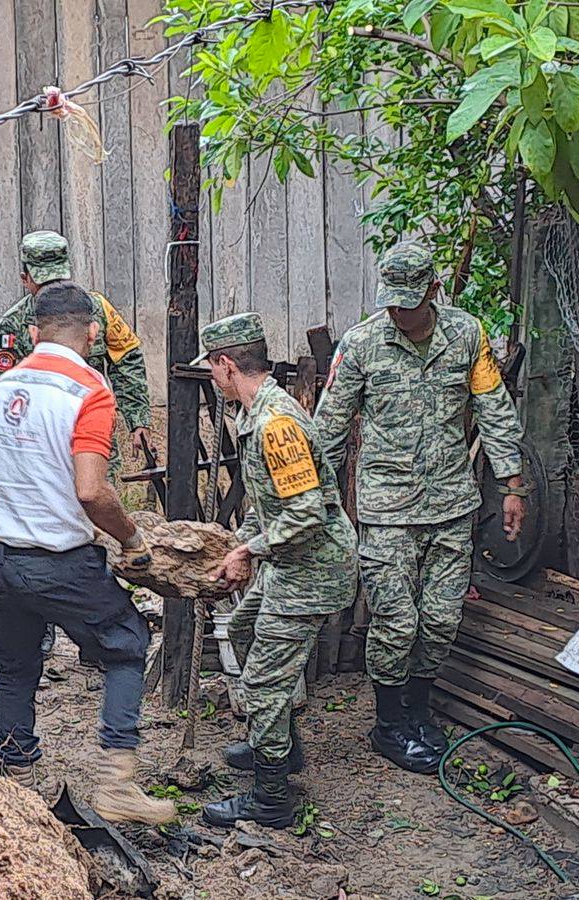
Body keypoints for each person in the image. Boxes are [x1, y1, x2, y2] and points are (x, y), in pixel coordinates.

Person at [314, 240, 526, 775]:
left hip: (453, 505)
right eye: (391, 301)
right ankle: (388, 725)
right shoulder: (361, 345)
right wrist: (318, 503)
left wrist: (513, 485)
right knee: (396, 621)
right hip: (387, 511)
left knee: (440, 620)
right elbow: (331, 428)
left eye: (409, 302)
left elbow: (494, 409)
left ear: (434, 290)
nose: (399, 313)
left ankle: (417, 712)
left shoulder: (466, 335)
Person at [0, 281, 175, 826]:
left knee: (16, 665)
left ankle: (12, 777)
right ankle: (117, 785)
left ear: (34, 333)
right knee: (127, 642)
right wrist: (131, 539)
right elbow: (91, 491)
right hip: (56, 560)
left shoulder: (0, 387)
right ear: (92, 332)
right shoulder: (90, 391)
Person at [192, 313, 355, 829]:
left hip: (315, 569)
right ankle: (284, 749)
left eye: (213, 370)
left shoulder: (275, 424)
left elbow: (306, 513)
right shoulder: (256, 415)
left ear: (226, 365)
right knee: (242, 629)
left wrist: (250, 552)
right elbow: (272, 505)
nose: (213, 379)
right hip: (293, 562)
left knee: (262, 683)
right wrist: (241, 544)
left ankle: (270, 799)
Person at [0, 231, 154, 462]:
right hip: (42, 444)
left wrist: (138, 420)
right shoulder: (13, 324)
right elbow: (11, 392)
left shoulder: (97, 308)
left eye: (58, 279)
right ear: (25, 279)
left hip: (94, 434)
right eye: (44, 281)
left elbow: (127, 360)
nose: (52, 288)